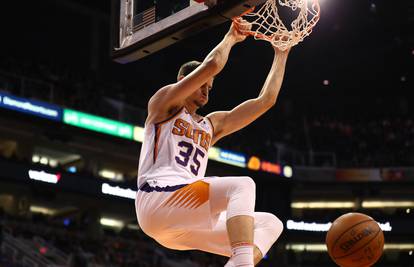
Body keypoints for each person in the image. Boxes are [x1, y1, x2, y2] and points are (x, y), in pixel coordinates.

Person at [135, 18, 290, 267]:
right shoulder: (164, 104)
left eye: (210, 87)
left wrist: (281, 54)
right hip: (158, 198)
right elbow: (213, 64)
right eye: (202, 84)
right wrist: (231, 37)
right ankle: (242, 264)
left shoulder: (211, 125)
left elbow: (266, 101)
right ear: (185, 80)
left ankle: (239, 262)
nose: (207, 91)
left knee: (270, 223)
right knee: (242, 186)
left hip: (182, 222)